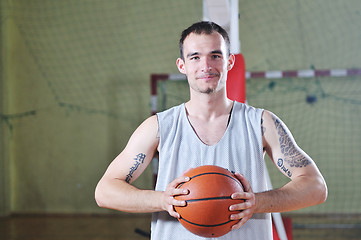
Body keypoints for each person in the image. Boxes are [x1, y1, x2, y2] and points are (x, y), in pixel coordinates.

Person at [95, 21, 327, 239]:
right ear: (182, 65)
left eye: (215, 56)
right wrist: (163, 200)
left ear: (229, 62)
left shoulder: (261, 123)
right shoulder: (159, 127)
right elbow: (105, 191)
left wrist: (255, 202)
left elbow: (315, 187)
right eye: (195, 57)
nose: (205, 66)